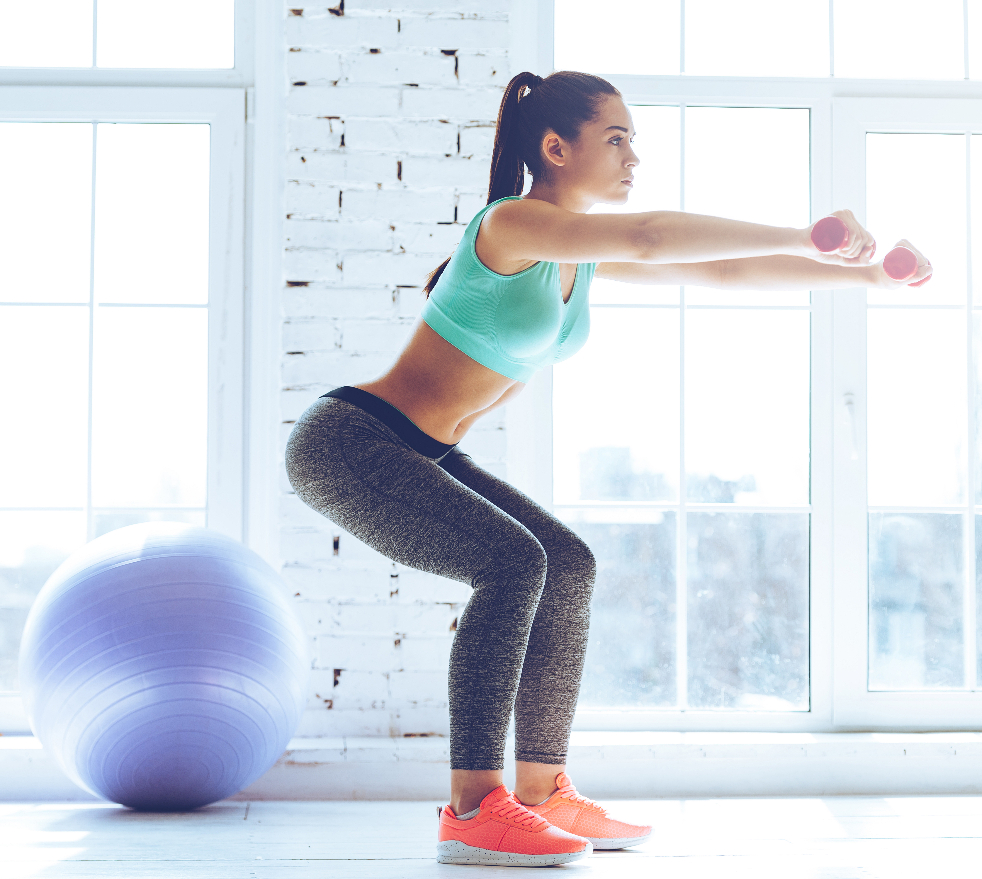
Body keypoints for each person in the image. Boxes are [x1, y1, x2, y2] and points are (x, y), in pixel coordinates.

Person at [284, 69, 931, 867]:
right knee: (512, 562)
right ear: (556, 148)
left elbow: (720, 272)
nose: (633, 157)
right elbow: (652, 235)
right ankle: (471, 807)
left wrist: (864, 276)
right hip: (351, 443)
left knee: (568, 563)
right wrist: (806, 232)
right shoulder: (513, 224)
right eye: (617, 139)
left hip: (421, 448)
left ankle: (541, 790)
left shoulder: (578, 255)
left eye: (635, 142)